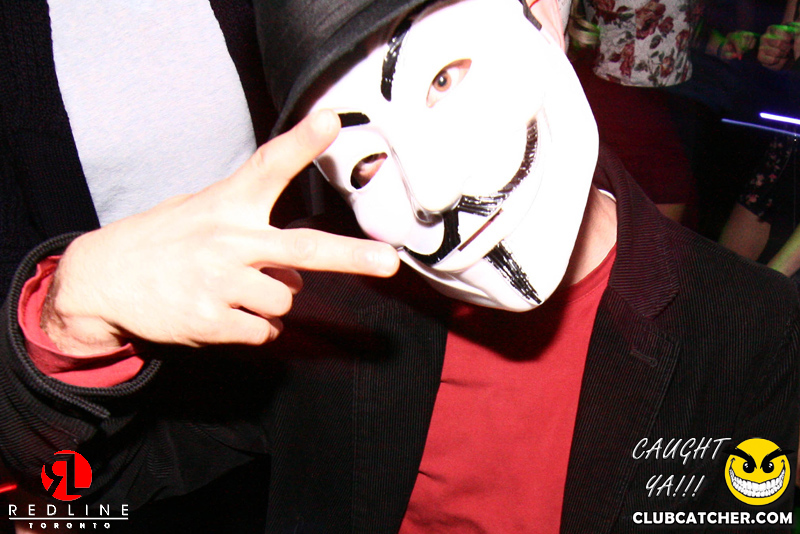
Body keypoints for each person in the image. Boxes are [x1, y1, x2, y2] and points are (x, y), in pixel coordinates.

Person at [0, 0, 798, 533]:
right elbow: (61, 501)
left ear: (544, 14)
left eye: (444, 80)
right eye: (367, 163)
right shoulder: (317, 318)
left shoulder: (758, 338)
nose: (433, 192)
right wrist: (66, 321)